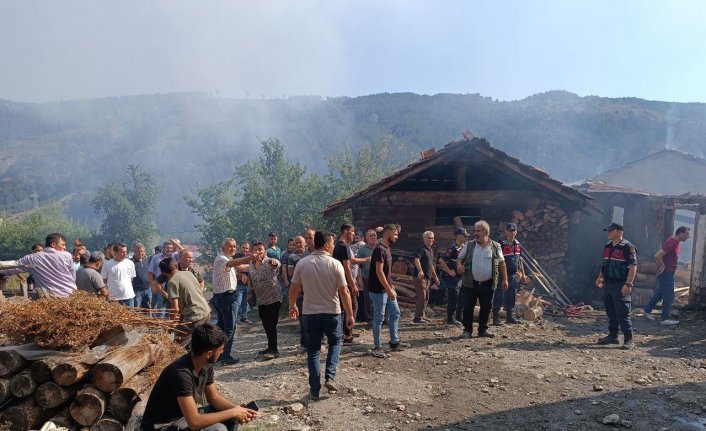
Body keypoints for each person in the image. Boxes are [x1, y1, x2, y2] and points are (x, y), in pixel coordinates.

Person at [141, 323, 257, 431]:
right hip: (163, 426)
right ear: (209, 354)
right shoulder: (180, 374)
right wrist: (233, 412)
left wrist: (238, 410)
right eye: (220, 350)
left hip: (182, 418)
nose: (222, 352)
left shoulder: (206, 365)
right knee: (218, 429)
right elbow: (194, 422)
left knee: (230, 416)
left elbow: (214, 398)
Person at [288, 230, 354, 400]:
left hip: (310, 313)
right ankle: (330, 377)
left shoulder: (302, 263)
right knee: (335, 343)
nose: (333, 246)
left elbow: (294, 287)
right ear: (326, 245)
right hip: (332, 312)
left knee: (314, 352)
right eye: (332, 244)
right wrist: (350, 315)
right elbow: (344, 291)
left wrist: (292, 305)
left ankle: (315, 390)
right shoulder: (335, 264)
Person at [456, 220, 509, 339]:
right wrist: (459, 266)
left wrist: (505, 279)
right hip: (470, 283)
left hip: (488, 284)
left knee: (486, 307)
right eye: (474, 230)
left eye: (478, 231)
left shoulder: (496, 246)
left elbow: (502, 263)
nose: (475, 233)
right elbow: (460, 258)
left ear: (486, 232)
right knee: (468, 307)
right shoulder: (469, 245)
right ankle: (467, 331)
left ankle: (483, 330)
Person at [368, 224, 409, 358]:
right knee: (379, 318)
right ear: (387, 233)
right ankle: (377, 347)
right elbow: (379, 272)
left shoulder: (387, 249)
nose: (397, 237)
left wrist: (391, 287)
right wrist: (388, 289)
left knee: (395, 313)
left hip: (387, 289)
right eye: (395, 234)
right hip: (378, 290)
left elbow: (387, 273)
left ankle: (394, 342)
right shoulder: (380, 250)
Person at [595, 222, 638, 350]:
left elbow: (633, 266)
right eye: (607, 230)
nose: (608, 233)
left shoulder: (628, 247)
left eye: (611, 230)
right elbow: (604, 264)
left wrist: (628, 284)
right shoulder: (607, 246)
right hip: (608, 283)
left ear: (619, 231)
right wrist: (600, 277)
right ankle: (613, 336)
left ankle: (629, 339)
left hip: (620, 283)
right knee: (610, 311)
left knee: (623, 312)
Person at [211, 239, 252, 366]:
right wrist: (251, 258)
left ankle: (216, 355)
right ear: (223, 247)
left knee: (221, 327)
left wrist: (253, 264)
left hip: (223, 297)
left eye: (234, 246)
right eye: (230, 246)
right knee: (229, 329)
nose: (233, 248)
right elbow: (235, 263)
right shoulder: (223, 259)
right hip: (226, 298)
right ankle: (225, 356)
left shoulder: (225, 259)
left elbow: (238, 267)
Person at [639, 226, 690, 326]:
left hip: (668, 272)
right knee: (669, 296)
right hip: (666, 272)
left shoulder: (675, 242)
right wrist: (662, 265)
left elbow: (669, 257)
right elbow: (657, 255)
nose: (688, 237)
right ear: (681, 233)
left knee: (661, 293)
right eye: (687, 234)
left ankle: (647, 310)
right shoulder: (672, 242)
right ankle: (665, 318)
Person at [1, 233, 76, 298]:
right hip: (72, 295)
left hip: (50, 298)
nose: (65, 247)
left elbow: (13, 267)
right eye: (63, 245)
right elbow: (73, 277)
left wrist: (1, 271)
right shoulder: (67, 255)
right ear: (53, 244)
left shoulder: (32, 258)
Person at [160, 258, 212, 347]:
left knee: (177, 346)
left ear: (162, 272)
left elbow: (175, 309)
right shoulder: (188, 273)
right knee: (199, 343)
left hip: (194, 317)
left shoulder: (172, 282)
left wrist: (171, 323)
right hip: (206, 312)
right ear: (176, 265)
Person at [333, 224, 371, 344]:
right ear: (345, 231)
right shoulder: (343, 246)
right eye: (352, 231)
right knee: (352, 306)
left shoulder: (341, 245)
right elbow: (347, 267)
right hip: (345, 282)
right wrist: (353, 285)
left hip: (342, 281)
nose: (354, 234)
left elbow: (350, 260)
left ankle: (345, 331)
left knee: (344, 307)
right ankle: (348, 335)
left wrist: (365, 260)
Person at [248, 242, 282, 359]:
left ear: (265, 252)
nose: (258, 252)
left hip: (274, 298)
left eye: (260, 250)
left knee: (270, 323)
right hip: (261, 300)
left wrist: (275, 263)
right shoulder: (251, 264)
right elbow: (251, 279)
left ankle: (274, 350)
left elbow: (277, 264)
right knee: (266, 324)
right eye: (255, 250)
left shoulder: (269, 261)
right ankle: (270, 346)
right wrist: (249, 291)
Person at [493, 223, 532, 326]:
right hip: (502, 273)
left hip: (514, 274)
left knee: (512, 295)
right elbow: (496, 260)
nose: (513, 232)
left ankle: (510, 317)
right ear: (505, 231)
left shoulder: (517, 244)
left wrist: (523, 274)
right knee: (499, 295)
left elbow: (520, 260)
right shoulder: (500, 243)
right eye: (510, 230)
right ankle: (495, 318)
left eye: (514, 230)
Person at [438, 228, 468, 326]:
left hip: (460, 276)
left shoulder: (463, 246)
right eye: (465, 235)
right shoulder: (453, 248)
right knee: (453, 297)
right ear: (459, 236)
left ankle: (460, 316)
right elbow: (441, 260)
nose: (466, 237)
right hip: (452, 277)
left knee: (462, 296)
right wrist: (449, 271)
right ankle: (450, 318)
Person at [148, 240, 180, 318]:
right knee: (161, 307)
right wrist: (152, 286)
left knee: (172, 307)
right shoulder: (156, 258)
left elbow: (186, 252)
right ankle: (161, 325)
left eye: (171, 248)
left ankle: (169, 325)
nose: (169, 249)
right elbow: (150, 272)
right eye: (167, 248)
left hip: (174, 286)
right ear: (163, 248)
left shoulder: (175, 256)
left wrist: (176, 244)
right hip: (161, 285)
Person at [413, 231, 439, 323]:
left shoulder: (430, 250)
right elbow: (416, 259)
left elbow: (431, 265)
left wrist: (435, 276)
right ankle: (417, 318)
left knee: (426, 297)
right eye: (429, 238)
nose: (431, 240)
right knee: (422, 297)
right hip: (420, 278)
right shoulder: (421, 248)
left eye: (432, 238)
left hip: (428, 278)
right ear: (424, 239)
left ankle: (422, 316)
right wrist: (420, 270)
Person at [287, 236, 308, 351]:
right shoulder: (292, 256)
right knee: (302, 318)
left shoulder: (311, 253)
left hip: (312, 290)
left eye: (300, 242)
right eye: (296, 243)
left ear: (305, 243)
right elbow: (291, 272)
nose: (299, 245)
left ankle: (319, 341)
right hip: (299, 290)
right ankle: (304, 344)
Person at [355, 229, 377, 323]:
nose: (373, 237)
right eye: (370, 236)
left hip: (380, 277)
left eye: (374, 235)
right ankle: (370, 320)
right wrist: (359, 278)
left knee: (380, 298)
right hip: (367, 277)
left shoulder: (379, 247)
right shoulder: (362, 250)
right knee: (368, 299)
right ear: (366, 238)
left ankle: (380, 318)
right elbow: (358, 265)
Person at [234, 242, 252, 324]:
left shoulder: (250, 256)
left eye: (246, 248)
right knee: (238, 302)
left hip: (247, 283)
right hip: (238, 283)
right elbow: (237, 267)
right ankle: (233, 317)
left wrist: (243, 267)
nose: (245, 250)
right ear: (240, 247)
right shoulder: (236, 256)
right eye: (243, 247)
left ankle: (244, 317)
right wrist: (247, 266)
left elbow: (252, 268)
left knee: (245, 301)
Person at [132, 243, 152, 309]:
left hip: (148, 289)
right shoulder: (131, 262)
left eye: (142, 251)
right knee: (137, 309)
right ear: (134, 252)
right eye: (138, 251)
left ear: (144, 252)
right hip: (137, 290)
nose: (140, 253)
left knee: (148, 309)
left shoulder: (147, 260)